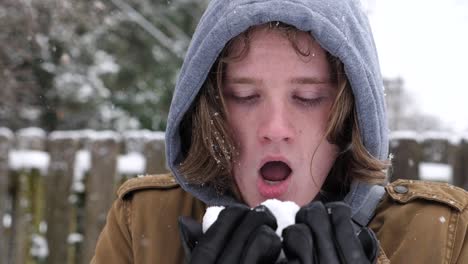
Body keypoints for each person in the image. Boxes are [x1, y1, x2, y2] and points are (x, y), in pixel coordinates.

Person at [92, 0, 468, 263]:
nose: (274, 129)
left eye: (307, 97)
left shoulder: (445, 235)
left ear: (349, 116)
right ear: (209, 109)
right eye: (244, 95)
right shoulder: (143, 222)